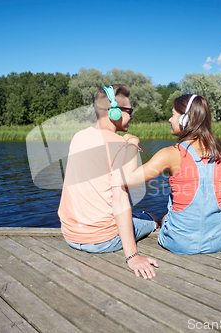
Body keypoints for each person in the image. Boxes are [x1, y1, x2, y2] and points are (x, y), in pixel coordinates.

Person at [57, 84, 159, 279]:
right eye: (129, 111)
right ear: (114, 112)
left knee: (136, 215)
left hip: (70, 235)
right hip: (103, 240)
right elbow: (120, 200)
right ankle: (153, 223)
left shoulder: (78, 137)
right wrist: (132, 256)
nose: (132, 116)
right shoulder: (120, 146)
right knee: (152, 219)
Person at [122, 94, 221, 255]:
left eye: (173, 115)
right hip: (218, 240)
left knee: (160, 218)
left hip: (180, 243)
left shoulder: (171, 153)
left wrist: (131, 145)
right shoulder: (218, 153)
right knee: (168, 216)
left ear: (186, 119)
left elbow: (129, 179)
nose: (170, 120)